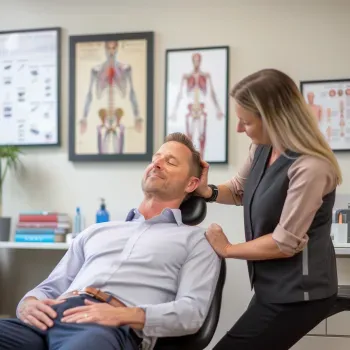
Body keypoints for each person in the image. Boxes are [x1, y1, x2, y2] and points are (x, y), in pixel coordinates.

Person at [0, 132, 221, 350]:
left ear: (191, 184)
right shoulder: (96, 231)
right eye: (155, 159)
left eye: (170, 162)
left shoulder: (198, 241)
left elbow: (192, 313)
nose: (158, 164)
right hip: (48, 319)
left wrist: (126, 314)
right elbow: (50, 287)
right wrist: (28, 303)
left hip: (107, 327)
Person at [196, 68, 342, 350]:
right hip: (271, 287)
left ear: (274, 118)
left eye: (245, 122)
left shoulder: (311, 167)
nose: (239, 129)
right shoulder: (262, 148)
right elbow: (239, 189)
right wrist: (207, 191)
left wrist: (227, 248)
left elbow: (284, 243)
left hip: (300, 294)